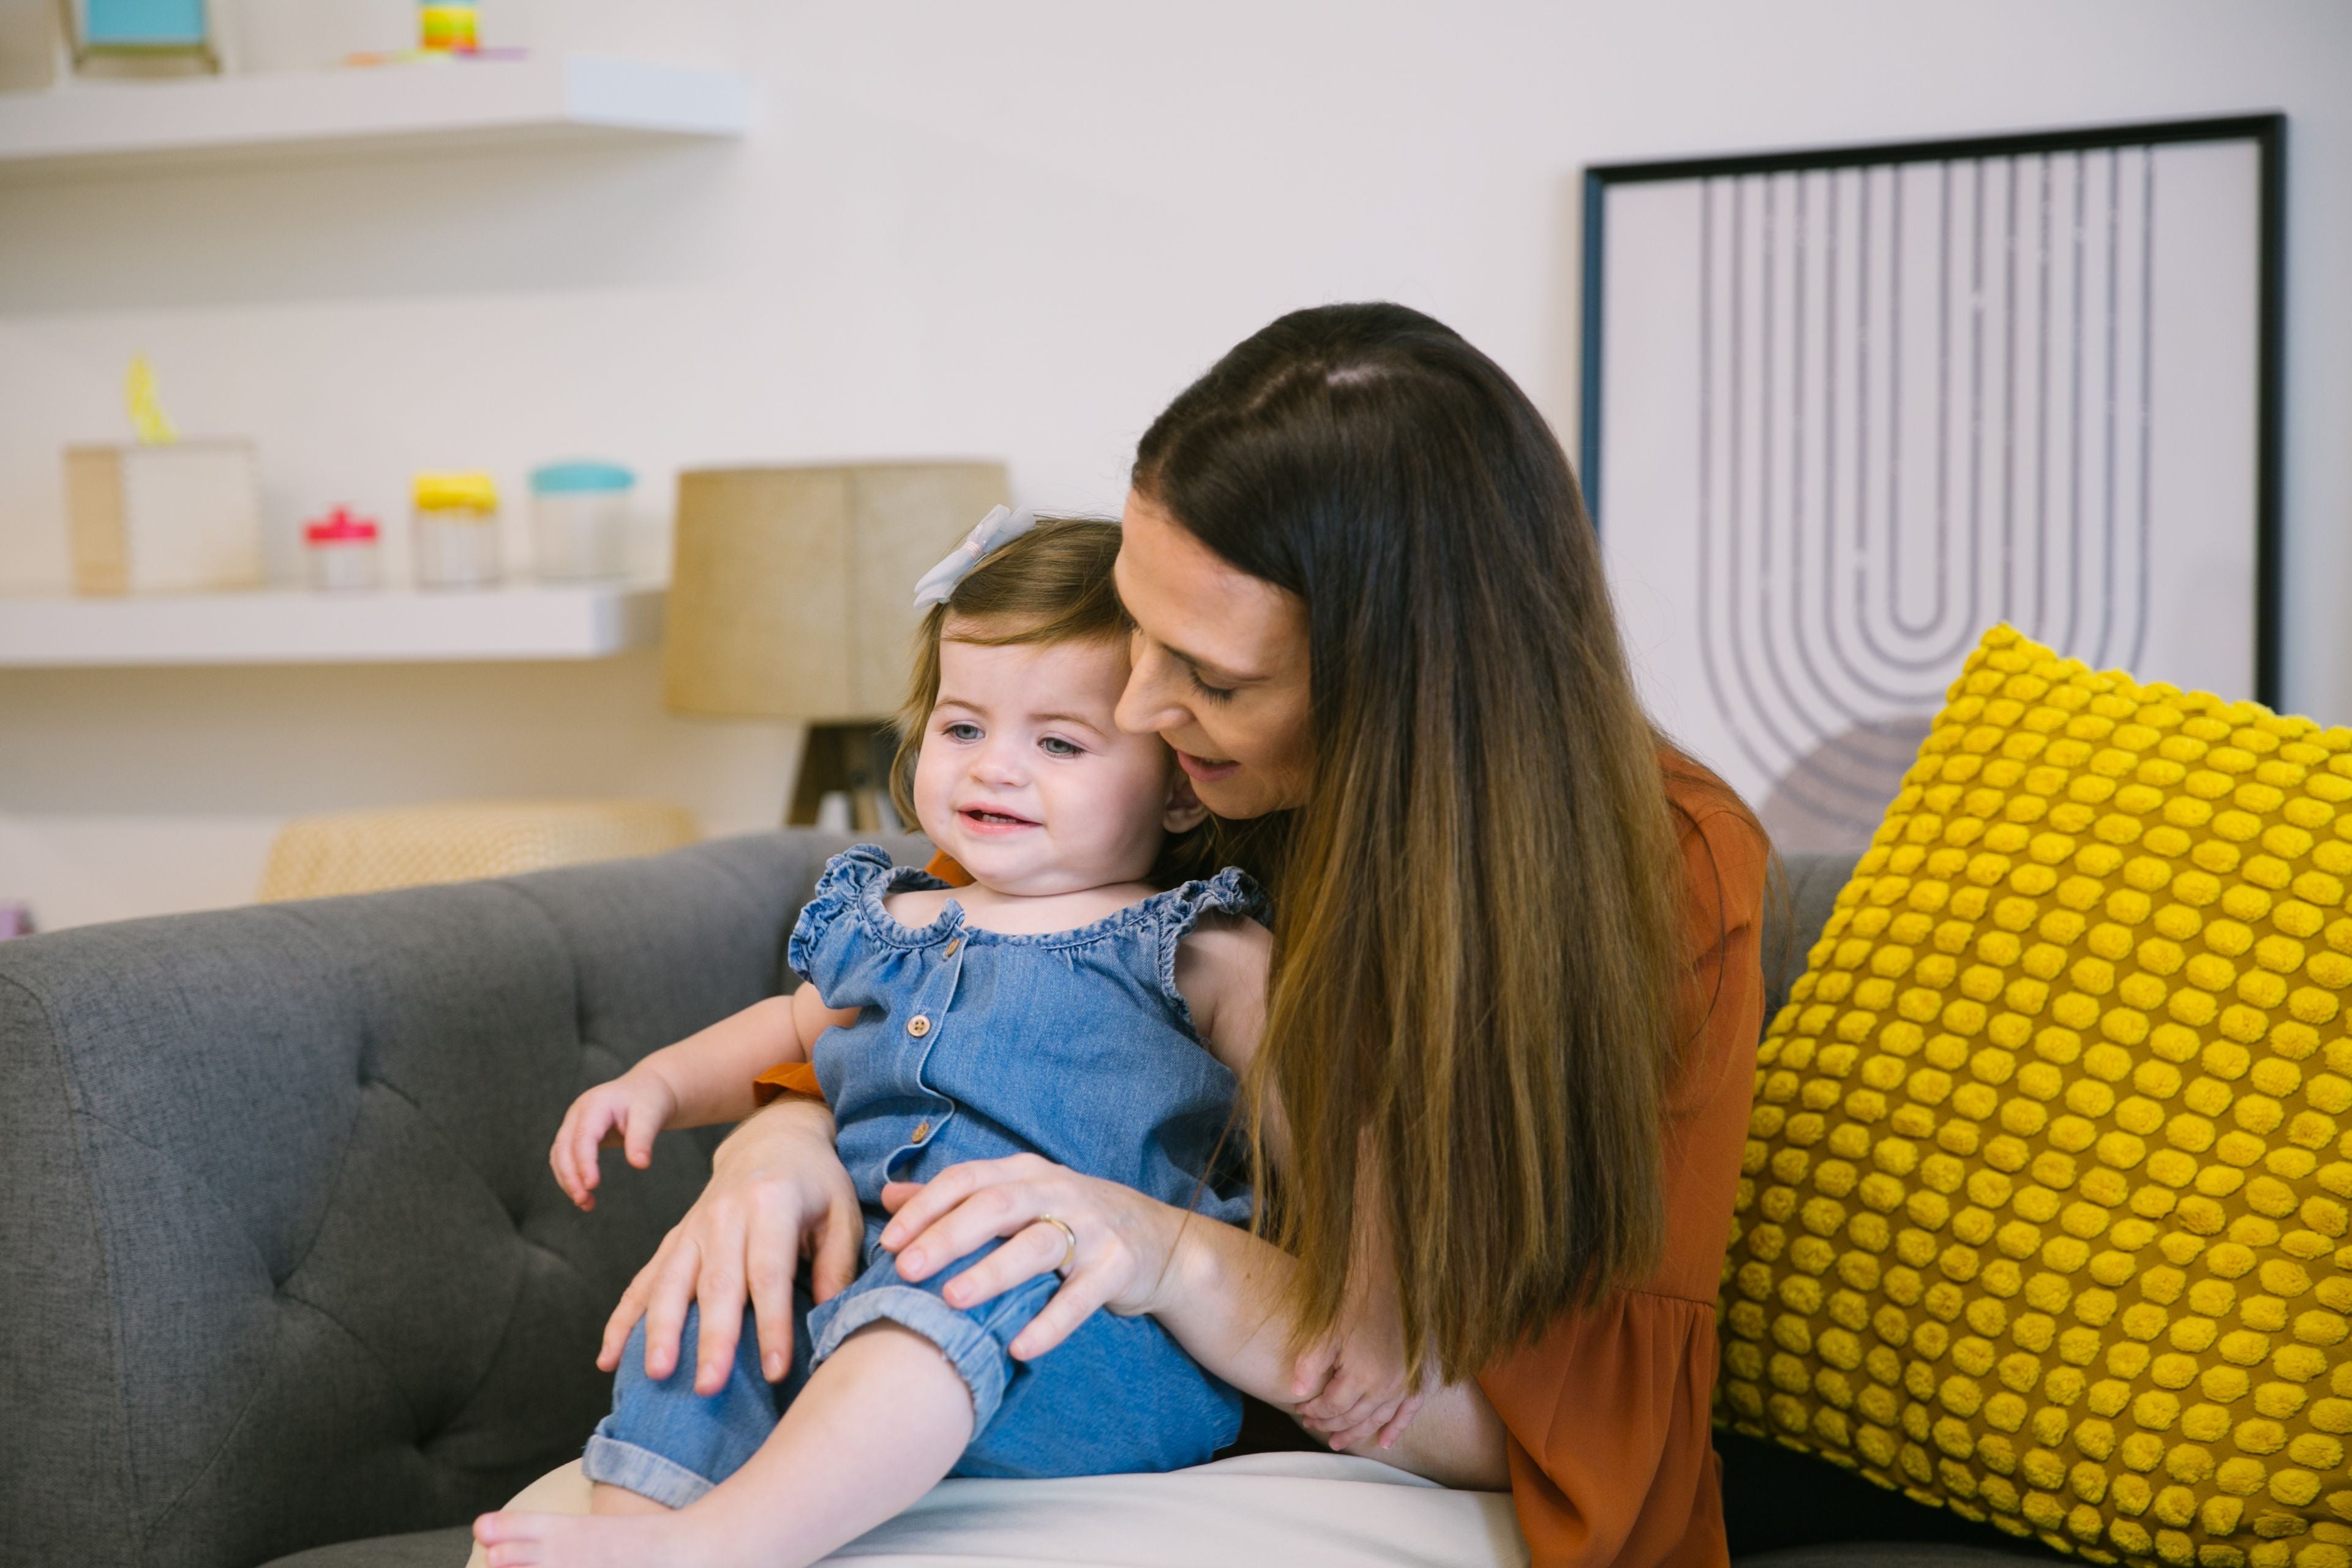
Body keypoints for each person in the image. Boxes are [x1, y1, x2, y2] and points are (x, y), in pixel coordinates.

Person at [558, 303, 1770, 1568]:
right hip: (985, 1377)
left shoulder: (1663, 874)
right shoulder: (1158, 769)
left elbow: (1537, 1429)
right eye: (1141, 630)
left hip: (1298, 1440)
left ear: (1399, 692)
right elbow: (938, 1006)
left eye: (1215, 678)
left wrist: (1166, 1254)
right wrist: (774, 1150)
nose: (1138, 705)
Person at [474, 517, 1315, 1568]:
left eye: (1057, 742)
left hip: (1083, 1340)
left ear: (1183, 785)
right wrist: (655, 1084)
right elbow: (788, 1031)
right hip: (866, 1309)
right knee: (719, 1289)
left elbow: (1325, 1169)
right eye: (963, 728)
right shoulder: (889, 919)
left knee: (966, 1271)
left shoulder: (1201, 950)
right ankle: (640, 1532)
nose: (994, 771)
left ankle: (725, 1544)